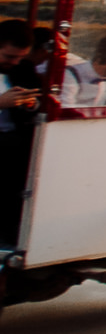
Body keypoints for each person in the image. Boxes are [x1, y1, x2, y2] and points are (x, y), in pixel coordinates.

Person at [0, 18, 45, 245]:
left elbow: (40, 101)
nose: (15, 62)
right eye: (9, 57)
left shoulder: (24, 69)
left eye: (20, 57)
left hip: (14, 142)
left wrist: (31, 104)